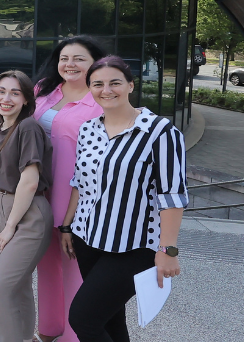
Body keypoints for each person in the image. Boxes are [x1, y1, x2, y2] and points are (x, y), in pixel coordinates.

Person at [65, 56, 187, 342]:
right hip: (88, 239)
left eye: (115, 82)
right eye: (97, 84)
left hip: (134, 246)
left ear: (130, 85)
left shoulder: (160, 132)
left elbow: (172, 196)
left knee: (83, 319)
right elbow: (79, 183)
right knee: (110, 320)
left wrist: (167, 250)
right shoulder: (88, 129)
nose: (106, 90)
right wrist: (67, 227)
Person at [30, 35, 106, 342]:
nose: (69, 64)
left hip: (75, 195)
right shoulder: (44, 89)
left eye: (79, 59)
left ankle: (73, 337)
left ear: (95, 63)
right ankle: (48, 329)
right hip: (36, 191)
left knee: (74, 267)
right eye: (64, 58)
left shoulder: (100, 98)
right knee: (46, 266)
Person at [0, 70, 54, 342]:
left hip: (27, 213)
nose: (6, 98)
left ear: (26, 99)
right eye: (1, 91)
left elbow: (29, 181)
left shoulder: (28, 127)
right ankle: (26, 337)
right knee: (18, 285)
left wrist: (10, 225)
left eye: (15, 92)